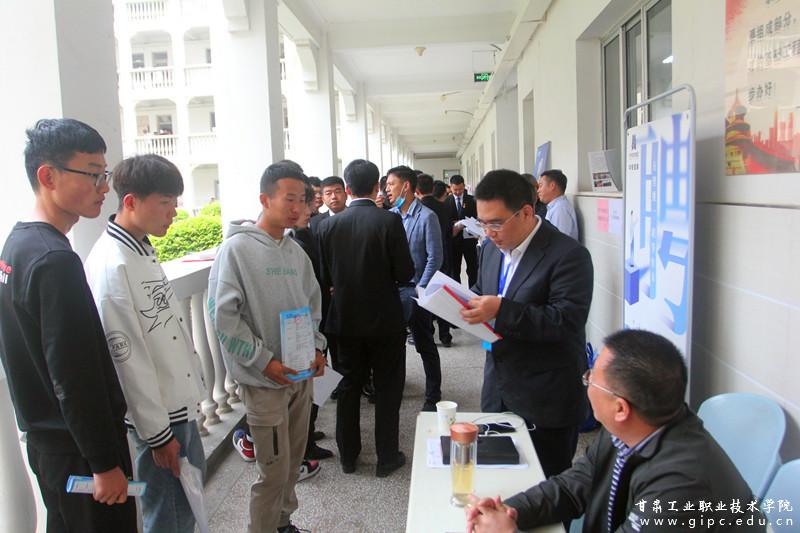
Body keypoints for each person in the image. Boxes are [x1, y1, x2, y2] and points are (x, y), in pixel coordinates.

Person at [466, 329, 766, 533]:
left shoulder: (681, 486)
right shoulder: (634, 427)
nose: (586, 384)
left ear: (621, 408)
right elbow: (575, 484)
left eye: (590, 379)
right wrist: (510, 510)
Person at [0, 118, 136, 532]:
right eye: (93, 174)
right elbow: (74, 376)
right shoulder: (56, 261)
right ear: (48, 176)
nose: (103, 187)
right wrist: (104, 463)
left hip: (48, 446)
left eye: (104, 174)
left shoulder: (17, 246)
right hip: (81, 454)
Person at [84, 154, 206, 533]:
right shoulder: (112, 263)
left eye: (175, 202)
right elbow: (127, 361)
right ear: (131, 201)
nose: (173, 212)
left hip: (177, 407)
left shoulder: (141, 248)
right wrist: (158, 435)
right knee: (168, 517)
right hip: (160, 421)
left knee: (185, 509)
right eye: (165, 202)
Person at [208, 162, 327, 533]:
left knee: (292, 464)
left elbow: (313, 306)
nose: (298, 207)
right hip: (264, 382)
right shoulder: (236, 251)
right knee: (272, 470)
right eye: (289, 198)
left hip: (300, 376)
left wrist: (317, 347)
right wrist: (264, 361)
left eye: (302, 200)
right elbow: (224, 318)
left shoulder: (295, 252)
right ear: (264, 199)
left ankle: (283, 523)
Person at [460, 169, 593, 479]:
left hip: (545, 397)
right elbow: (482, 290)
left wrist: (501, 310)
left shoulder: (568, 255)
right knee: (501, 479)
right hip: (498, 387)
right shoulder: (491, 249)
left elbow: (565, 320)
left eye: (496, 223)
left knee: (545, 485)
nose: (489, 232)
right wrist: (460, 303)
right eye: (483, 223)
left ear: (526, 213)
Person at [315, 159, 414, 477]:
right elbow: (406, 272)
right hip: (385, 320)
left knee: (347, 388)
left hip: (344, 320)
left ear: (346, 189)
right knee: (387, 389)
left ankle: (348, 456)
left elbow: (323, 277)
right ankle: (386, 457)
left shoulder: (327, 226)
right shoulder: (389, 221)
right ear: (376, 186)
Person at [386, 166, 443, 412]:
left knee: (424, 343)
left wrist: (421, 288)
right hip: (393, 292)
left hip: (417, 291)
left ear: (406, 186)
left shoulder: (427, 217)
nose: (387, 189)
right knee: (394, 345)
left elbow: (435, 257)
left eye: (391, 184)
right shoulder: (390, 217)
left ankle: (433, 394)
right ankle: (396, 388)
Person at [288, 181, 334, 462]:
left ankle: (308, 433)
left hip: (319, 318)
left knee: (315, 384)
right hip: (303, 325)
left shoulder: (306, 233)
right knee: (306, 385)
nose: (311, 209)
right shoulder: (293, 241)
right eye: (308, 203)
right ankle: (303, 444)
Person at [416, 173, 454, 346]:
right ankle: (445, 335)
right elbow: (449, 231)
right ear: (432, 188)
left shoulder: (419, 210)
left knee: (425, 297)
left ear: (416, 190)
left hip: (423, 260)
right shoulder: (444, 207)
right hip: (443, 255)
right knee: (442, 296)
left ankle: (429, 332)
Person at [446, 174, 478, 287]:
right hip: (454, 241)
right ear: (450, 187)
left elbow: (477, 217)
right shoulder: (446, 201)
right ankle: (457, 292)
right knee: (455, 270)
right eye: (455, 190)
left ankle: (473, 291)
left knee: (472, 268)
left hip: (469, 239)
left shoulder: (472, 200)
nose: (458, 192)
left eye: (460, 189)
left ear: (464, 186)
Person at [538, 169, 579, 240]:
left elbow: (559, 241)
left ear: (552, 186)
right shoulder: (555, 207)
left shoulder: (560, 209)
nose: (538, 190)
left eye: (540, 185)